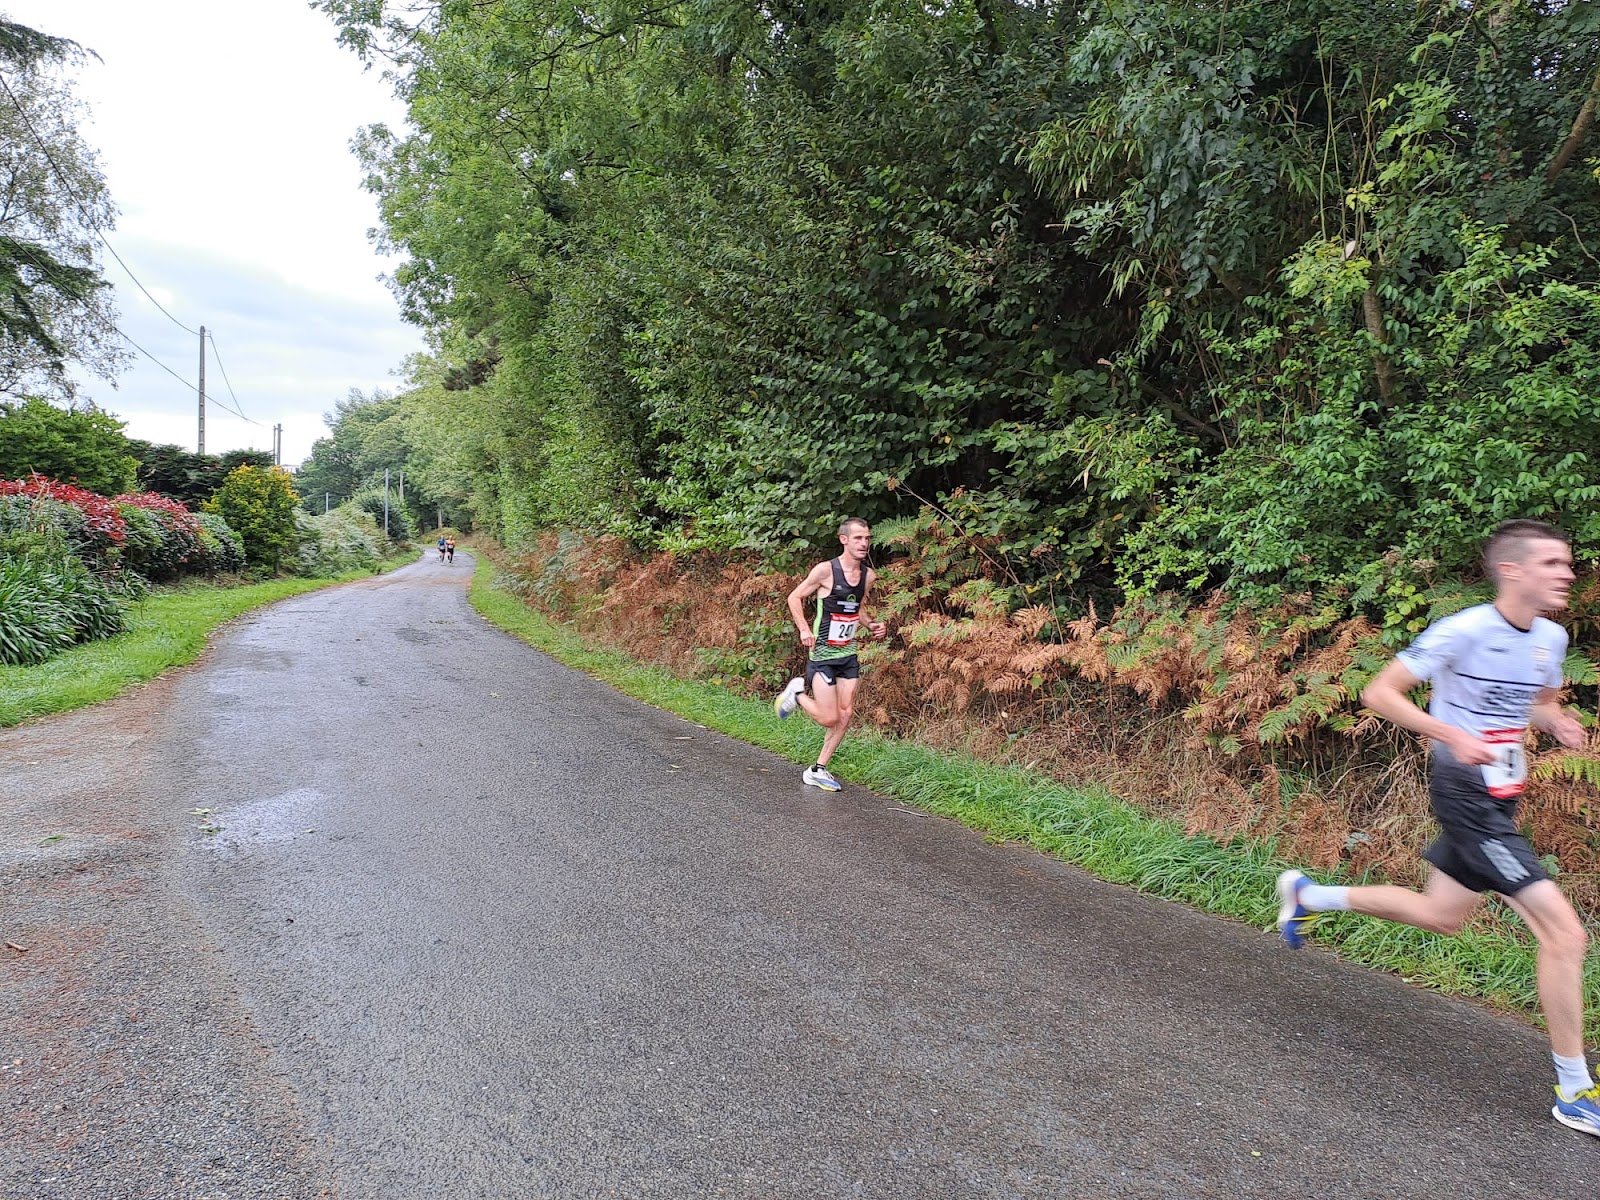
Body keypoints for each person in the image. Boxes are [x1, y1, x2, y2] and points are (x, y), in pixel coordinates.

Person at [1276, 519, 1597, 1136]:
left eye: (1568, 563)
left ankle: (1308, 896)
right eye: (1553, 564)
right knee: (1565, 935)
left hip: (1503, 794)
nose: (1567, 573)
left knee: (1442, 914)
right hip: (1464, 793)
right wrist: (1450, 733)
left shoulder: (1551, 638)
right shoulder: (1464, 630)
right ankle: (1575, 1089)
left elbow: (1540, 702)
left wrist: (1555, 722)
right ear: (1512, 570)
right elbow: (1380, 693)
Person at [773, 517, 887, 791]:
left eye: (867, 538)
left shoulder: (868, 576)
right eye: (858, 538)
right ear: (844, 540)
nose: (864, 543)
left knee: (845, 715)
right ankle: (796, 695)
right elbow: (794, 597)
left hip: (848, 654)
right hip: (823, 654)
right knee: (829, 718)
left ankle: (818, 769)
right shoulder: (825, 571)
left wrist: (871, 624)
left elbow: (856, 607)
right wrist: (804, 629)